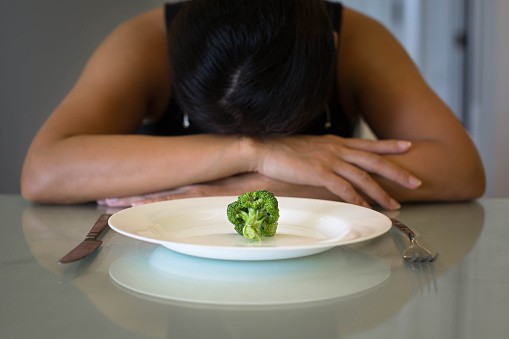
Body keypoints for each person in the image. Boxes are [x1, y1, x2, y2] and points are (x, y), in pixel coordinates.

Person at [21, 0, 485, 210]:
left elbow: (461, 168)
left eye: (278, 132)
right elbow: (44, 171)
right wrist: (252, 152)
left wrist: (251, 188)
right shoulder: (143, 43)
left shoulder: (357, 40)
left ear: (331, 45)